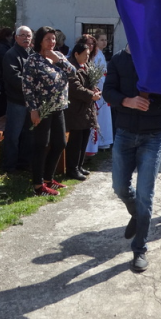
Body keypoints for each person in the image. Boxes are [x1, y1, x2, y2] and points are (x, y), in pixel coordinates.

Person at [103, 43, 161, 273]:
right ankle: (136, 213)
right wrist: (127, 101)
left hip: (153, 135)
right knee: (120, 187)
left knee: (145, 193)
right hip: (124, 132)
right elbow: (108, 91)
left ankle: (140, 248)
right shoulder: (118, 60)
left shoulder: (159, 57)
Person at [22, 26, 75, 196]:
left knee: (60, 143)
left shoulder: (59, 56)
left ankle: (48, 179)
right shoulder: (33, 60)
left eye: (53, 39)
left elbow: (73, 72)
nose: (52, 42)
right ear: (40, 41)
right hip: (42, 108)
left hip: (59, 107)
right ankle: (38, 185)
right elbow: (27, 87)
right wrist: (33, 109)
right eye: (48, 39)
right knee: (41, 145)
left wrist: (58, 59)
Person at [64, 38, 99, 180]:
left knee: (84, 138)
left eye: (89, 54)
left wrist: (94, 90)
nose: (87, 57)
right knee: (75, 142)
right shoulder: (71, 67)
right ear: (76, 54)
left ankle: (79, 165)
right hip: (75, 110)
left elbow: (89, 82)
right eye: (85, 54)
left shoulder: (86, 66)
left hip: (86, 109)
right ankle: (72, 169)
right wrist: (92, 95)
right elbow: (75, 88)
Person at [0, 25, 34, 173]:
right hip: (17, 101)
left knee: (28, 134)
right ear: (16, 37)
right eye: (23, 35)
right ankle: (9, 166)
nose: (26, 38)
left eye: (28, 36)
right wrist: (32, 84)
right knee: (13, 135)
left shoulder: (31, 54)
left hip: (30, 101)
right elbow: (13, 78)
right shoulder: (11, 54)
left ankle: (24, 163)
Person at [86, 32, 114, 156]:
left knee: (105, 116)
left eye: (105, 40)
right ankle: (100, 142)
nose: (104, 42)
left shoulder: (101, 54)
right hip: (99, 87)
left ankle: (105, 140)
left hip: (104, 86)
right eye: (101, 39)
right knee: (100, 115)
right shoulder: (95, 54)